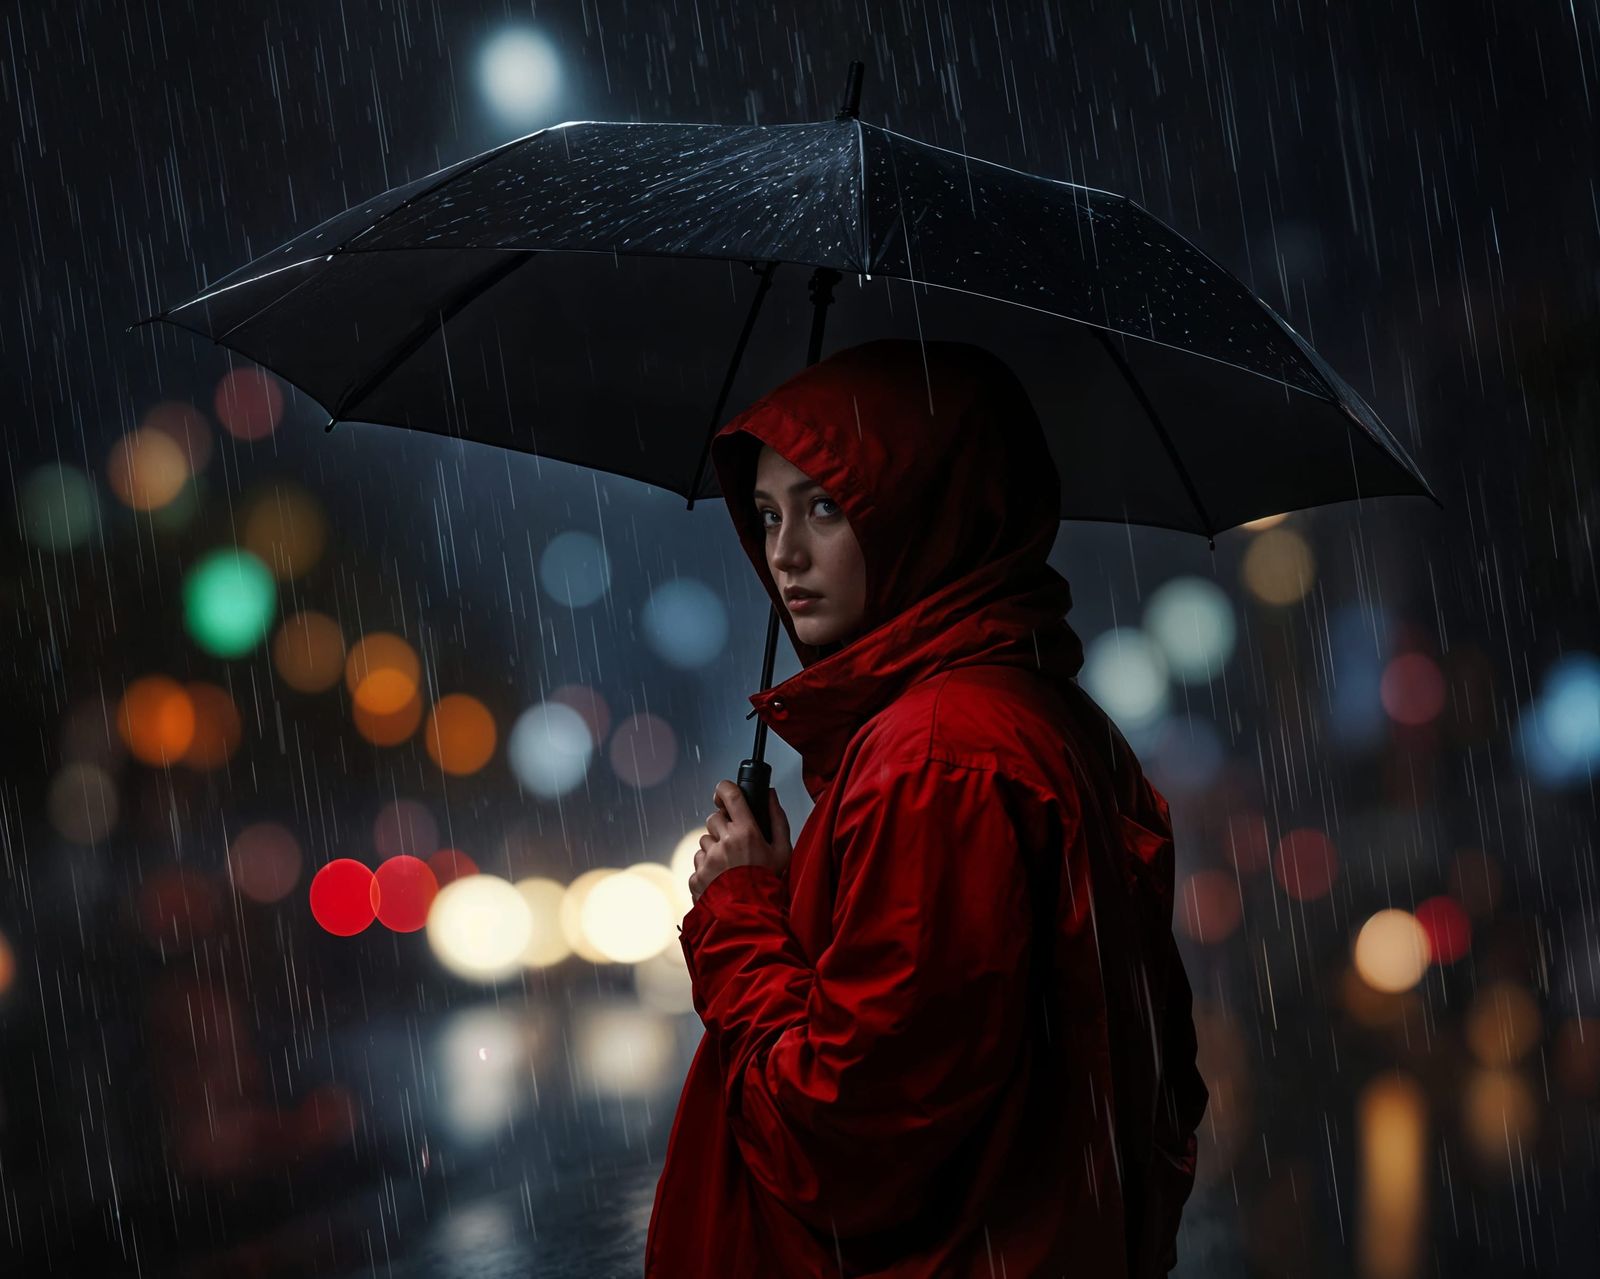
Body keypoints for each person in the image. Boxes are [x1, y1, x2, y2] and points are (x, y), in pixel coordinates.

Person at [645, 338, 1208, 1278]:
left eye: (827, 505)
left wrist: (739, 915)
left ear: (923, 510)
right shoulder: (1027, 714)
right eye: (767, 513)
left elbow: (842, 1132)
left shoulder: (938, 758)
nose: (784, 554)